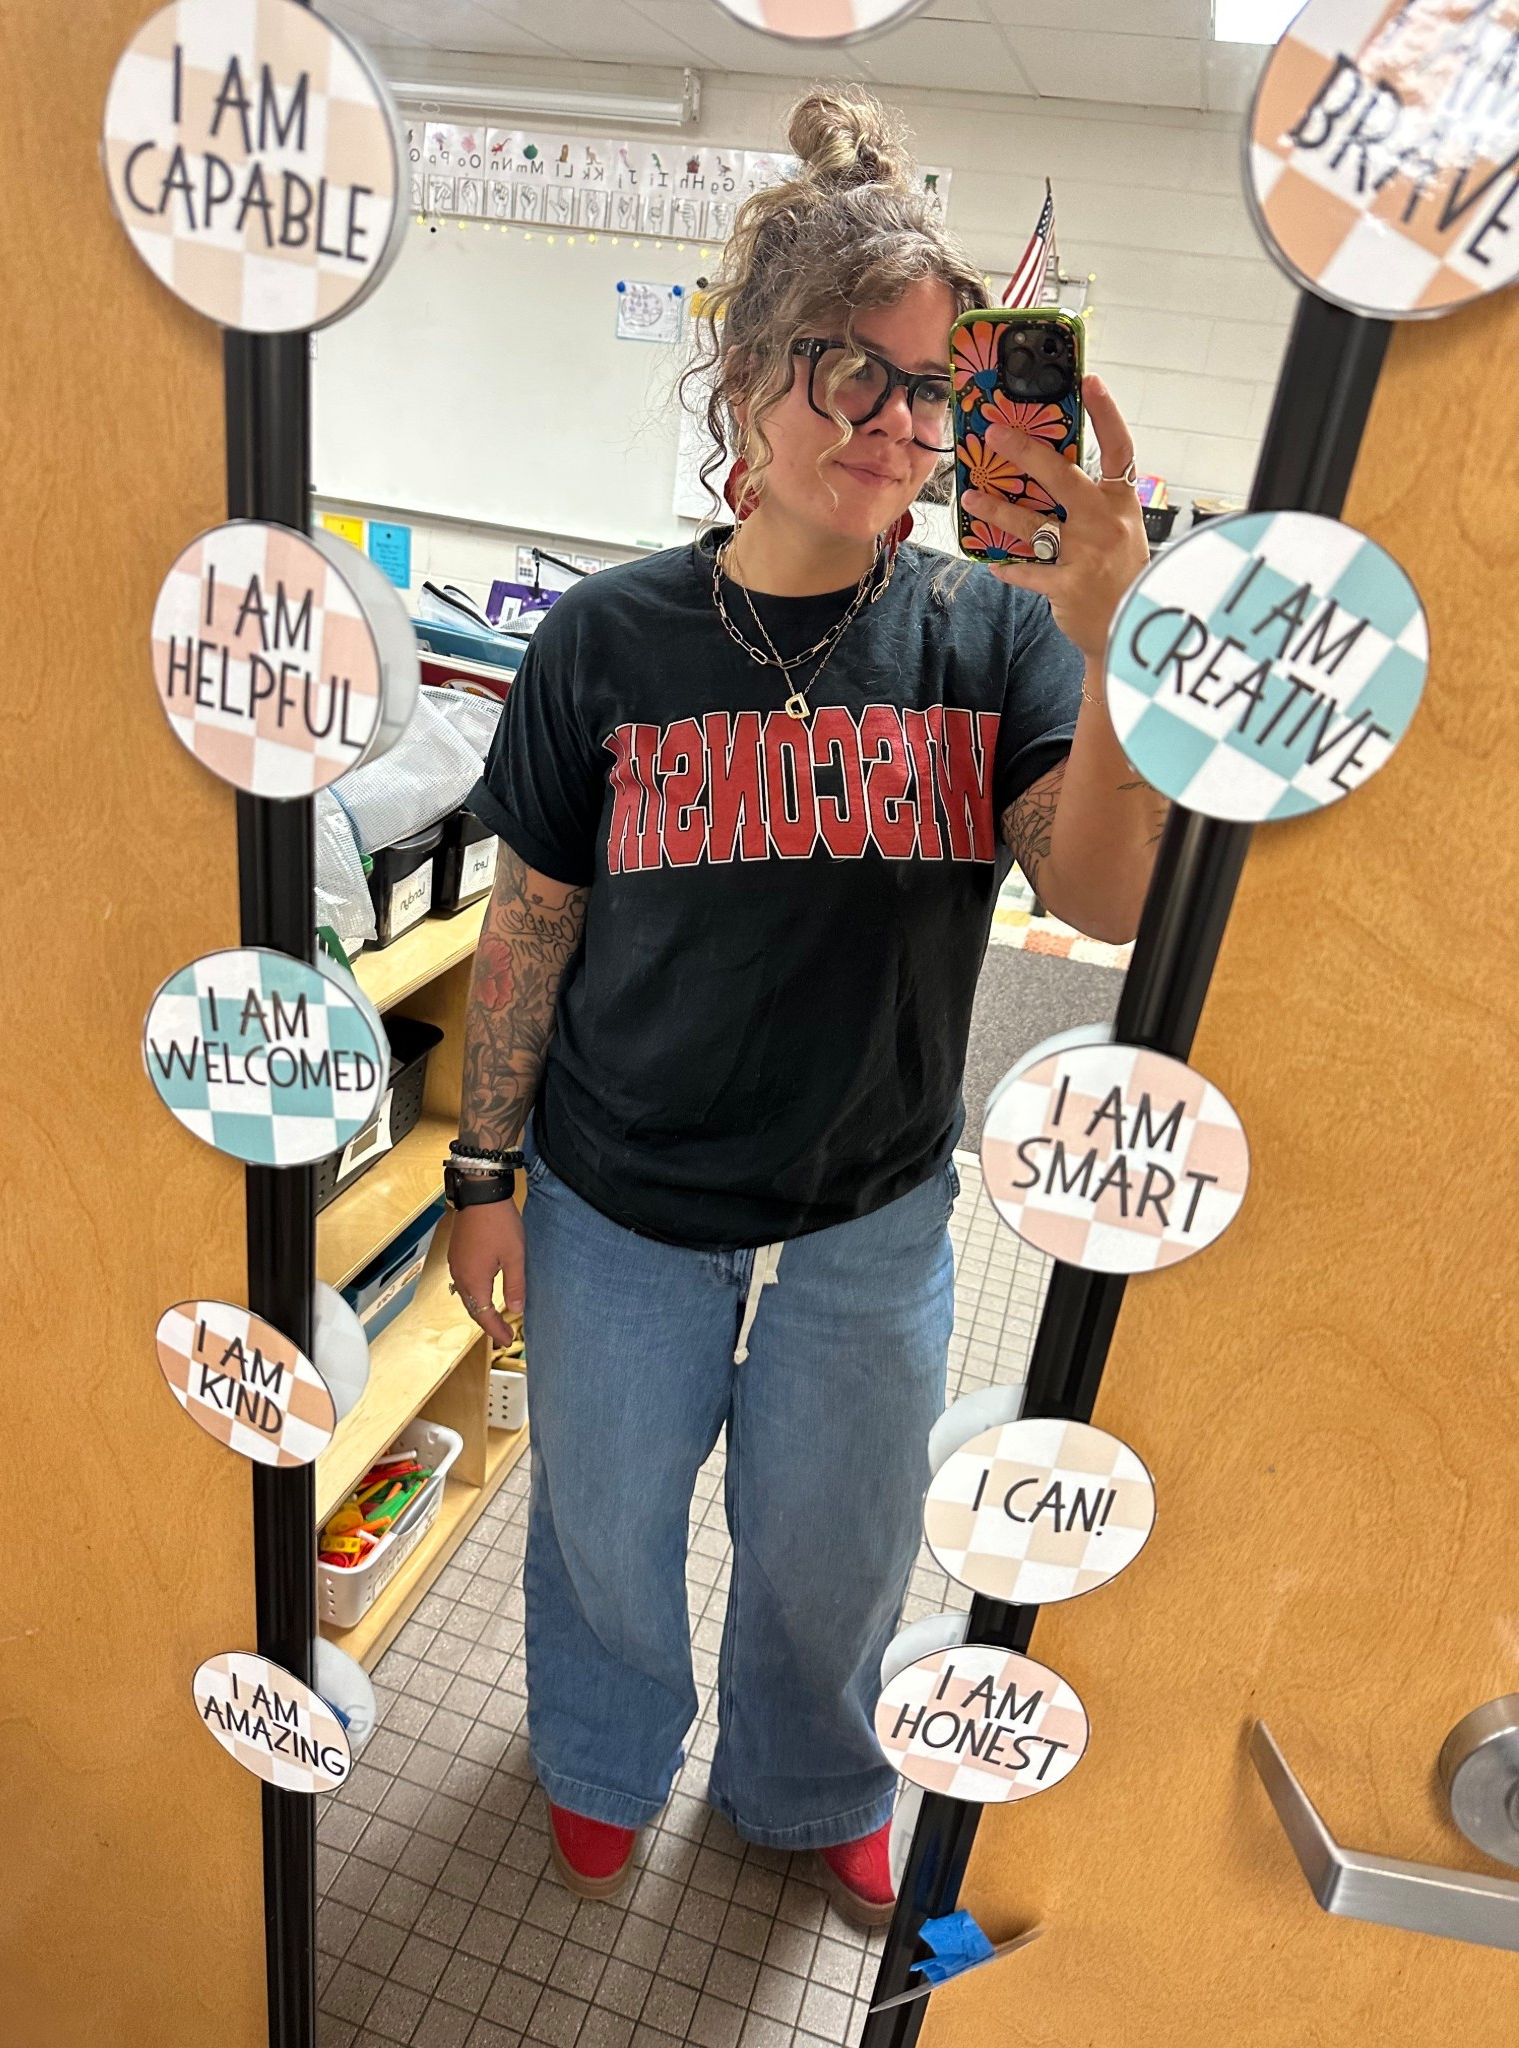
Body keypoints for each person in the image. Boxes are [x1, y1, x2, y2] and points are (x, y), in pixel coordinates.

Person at [447, 86, 1163, 1927]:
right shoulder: (606, 641)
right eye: (860, 374)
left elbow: (1094, 893)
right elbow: (531, 920)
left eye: (937, 391)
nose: (906, 425)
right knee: (603, 1527)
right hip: (618, 1205)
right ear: (754, 374)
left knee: (835, 1555)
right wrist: (480, 1171)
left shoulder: (991, 638)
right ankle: (606, 1757)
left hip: (873, 1211)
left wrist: (1113, 652)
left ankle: (812, 1776)